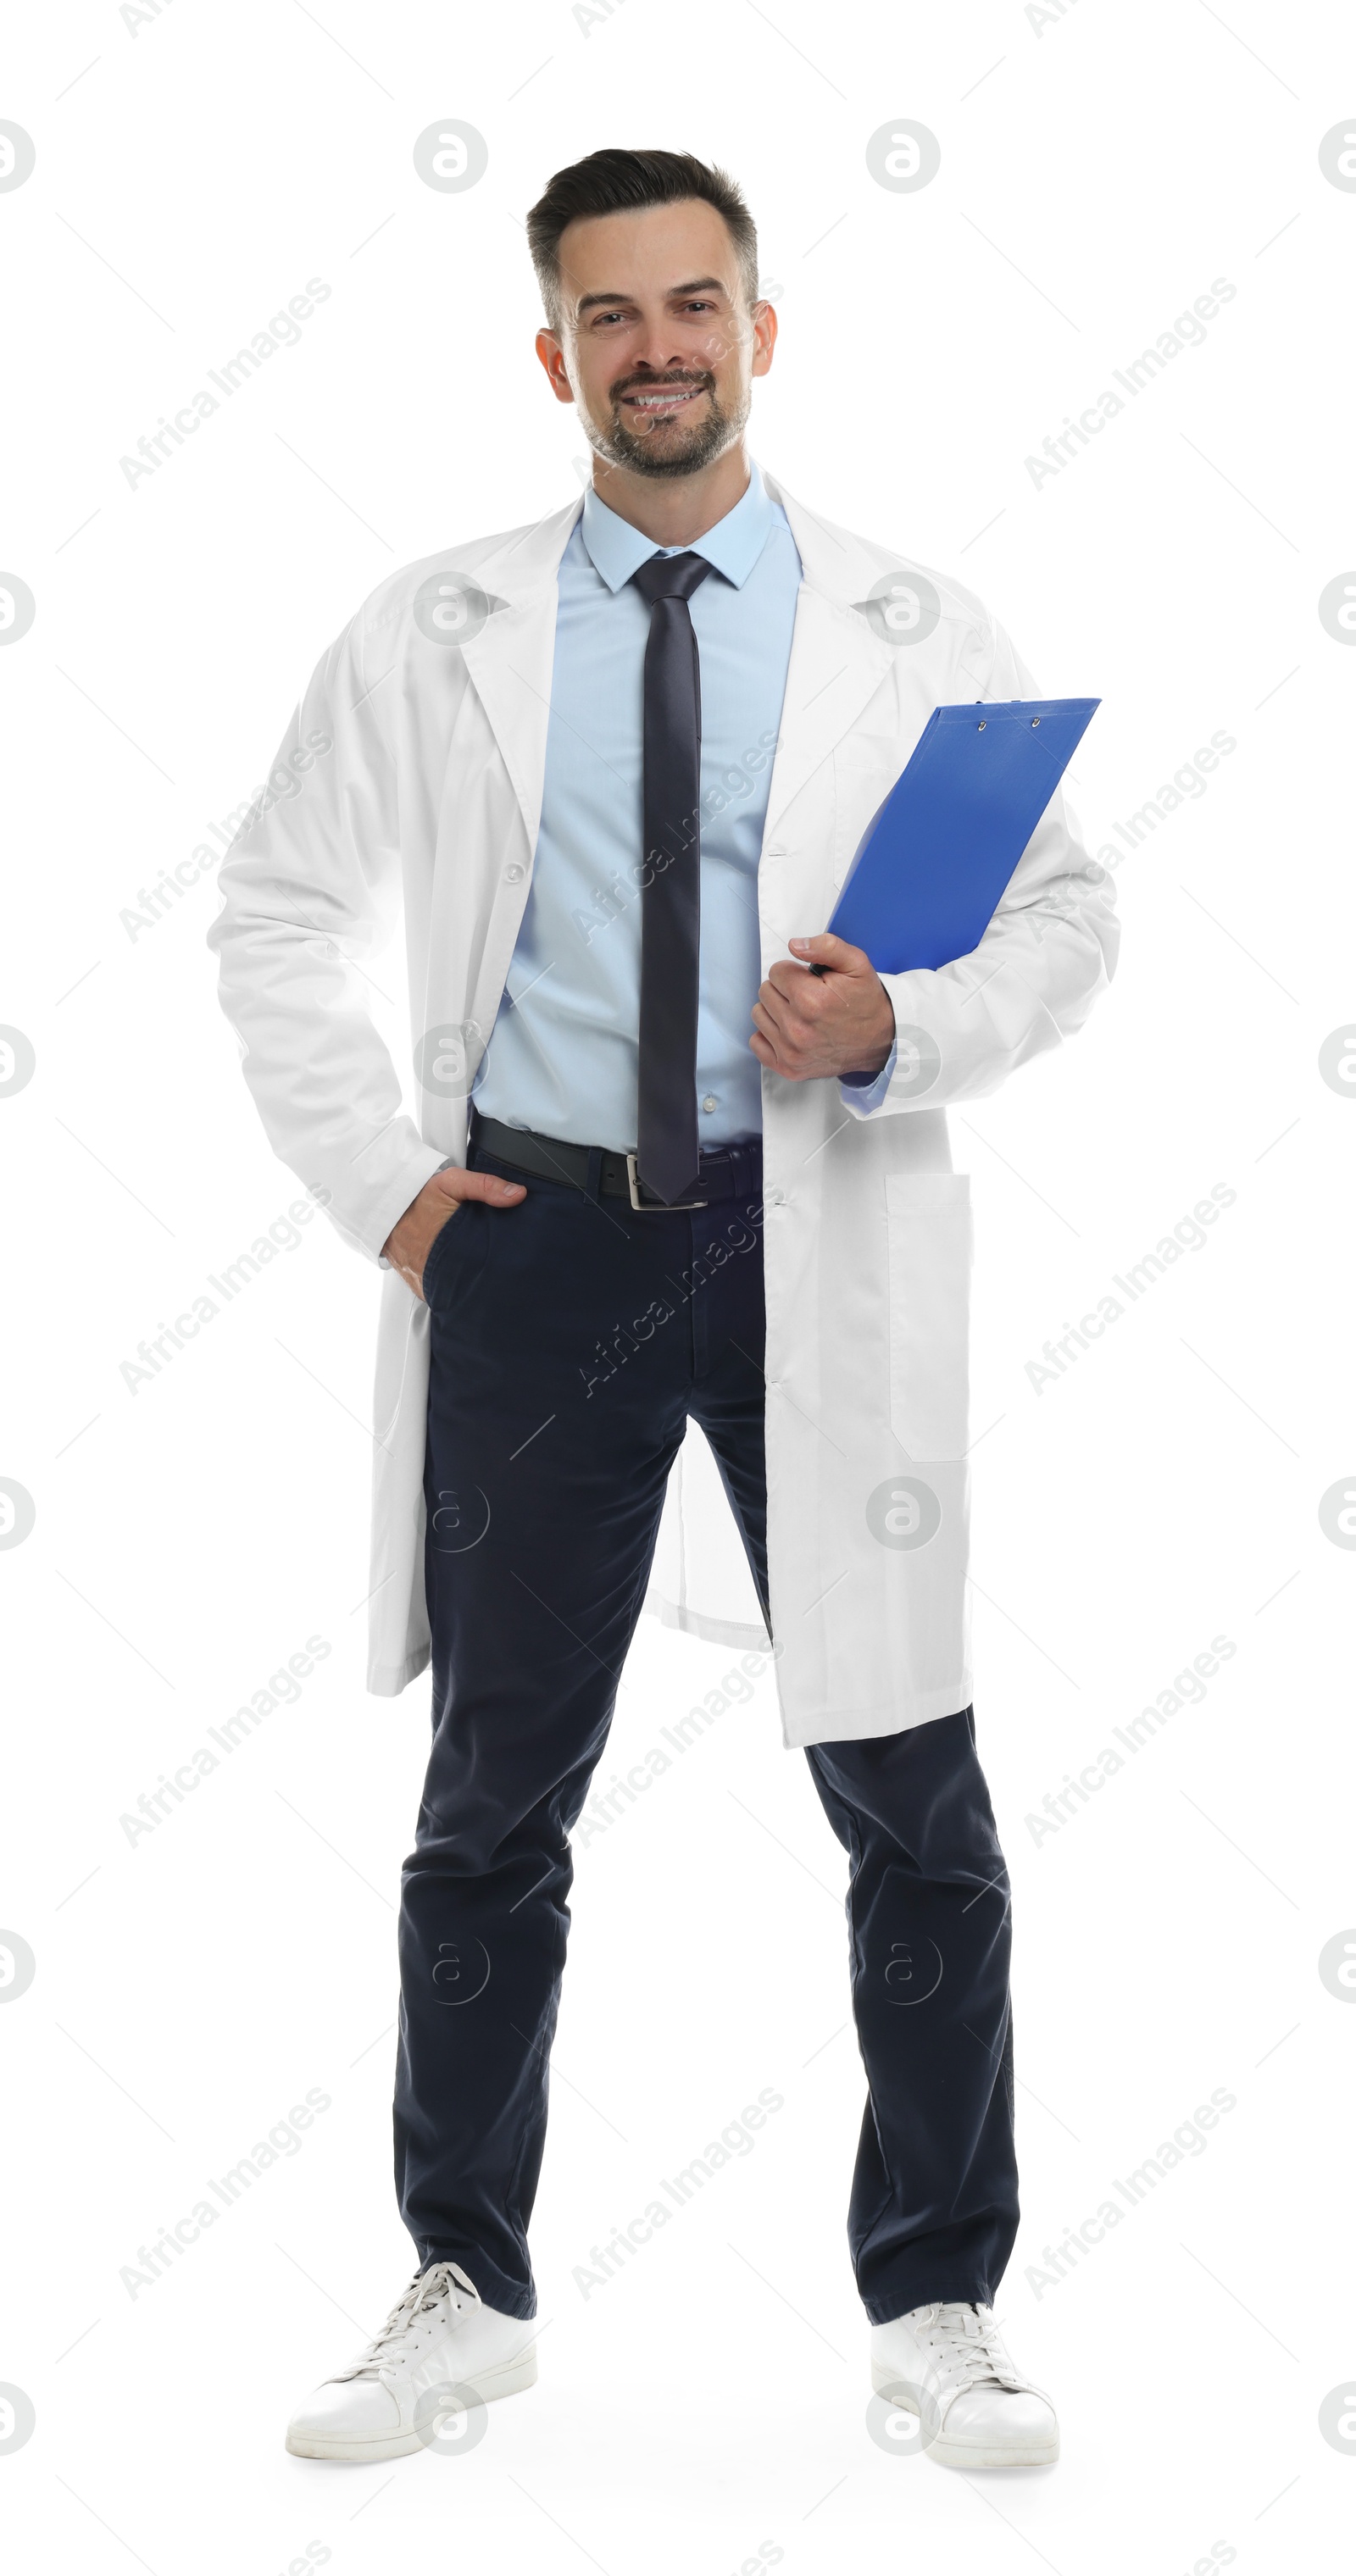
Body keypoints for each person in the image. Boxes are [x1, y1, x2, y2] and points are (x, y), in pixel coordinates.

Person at [208, 147, 1117, 2471]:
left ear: (761, 327)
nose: (659, 349)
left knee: (911, 1786)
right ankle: (462, 2284)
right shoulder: (442, 627)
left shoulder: (913, 624)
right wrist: (401, 1203)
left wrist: (899, 1028)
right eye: (609, 318)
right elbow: (274, 909)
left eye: (694, 302)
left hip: (810, 1237)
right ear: (555, 359)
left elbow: (1065, 923)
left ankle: (940, 2295)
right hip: (534, 1250)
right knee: (494, 1792)